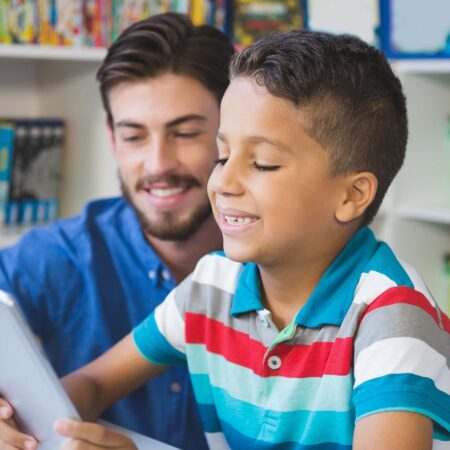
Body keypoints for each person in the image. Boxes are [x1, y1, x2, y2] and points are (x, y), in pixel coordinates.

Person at [10, 29, 450, 449]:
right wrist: (26, 423)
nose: (222, 182)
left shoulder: (394, 321)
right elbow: (93, 383)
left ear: (352, 195)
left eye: (262, 164)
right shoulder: (212, 286)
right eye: (223, 156)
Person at [0, 12, 234, 450]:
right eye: (134, 137)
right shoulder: (62, 254)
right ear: (111, 138)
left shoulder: (288, 266)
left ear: (232, 134)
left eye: (184, 133)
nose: (158, 164)